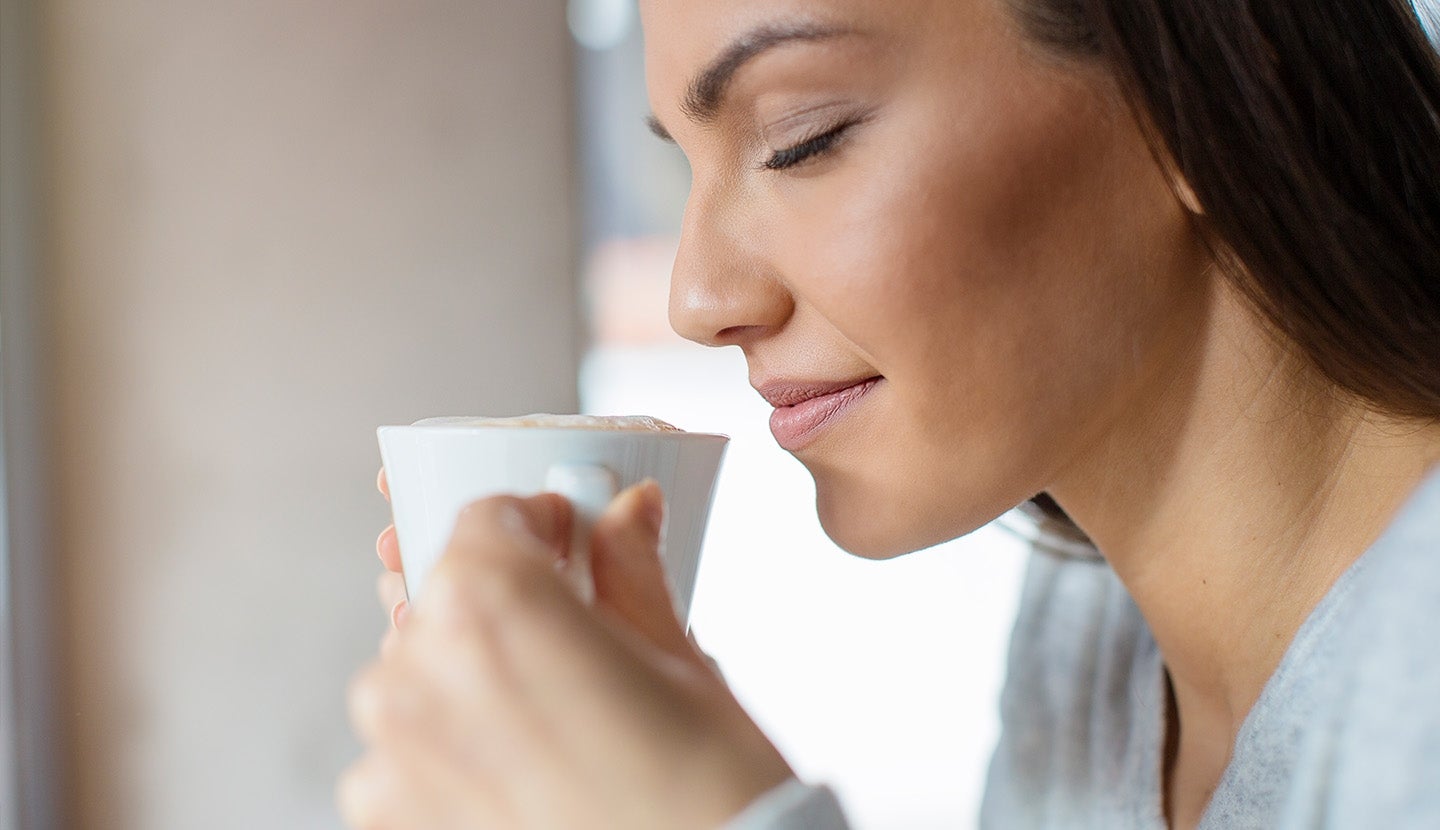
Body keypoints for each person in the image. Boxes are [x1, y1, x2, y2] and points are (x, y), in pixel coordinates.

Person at [336, 0, 1440, 827]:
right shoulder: (1094, 629)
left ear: (1218, 96)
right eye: (688, 170)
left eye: (801, 136)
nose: (699, 299)